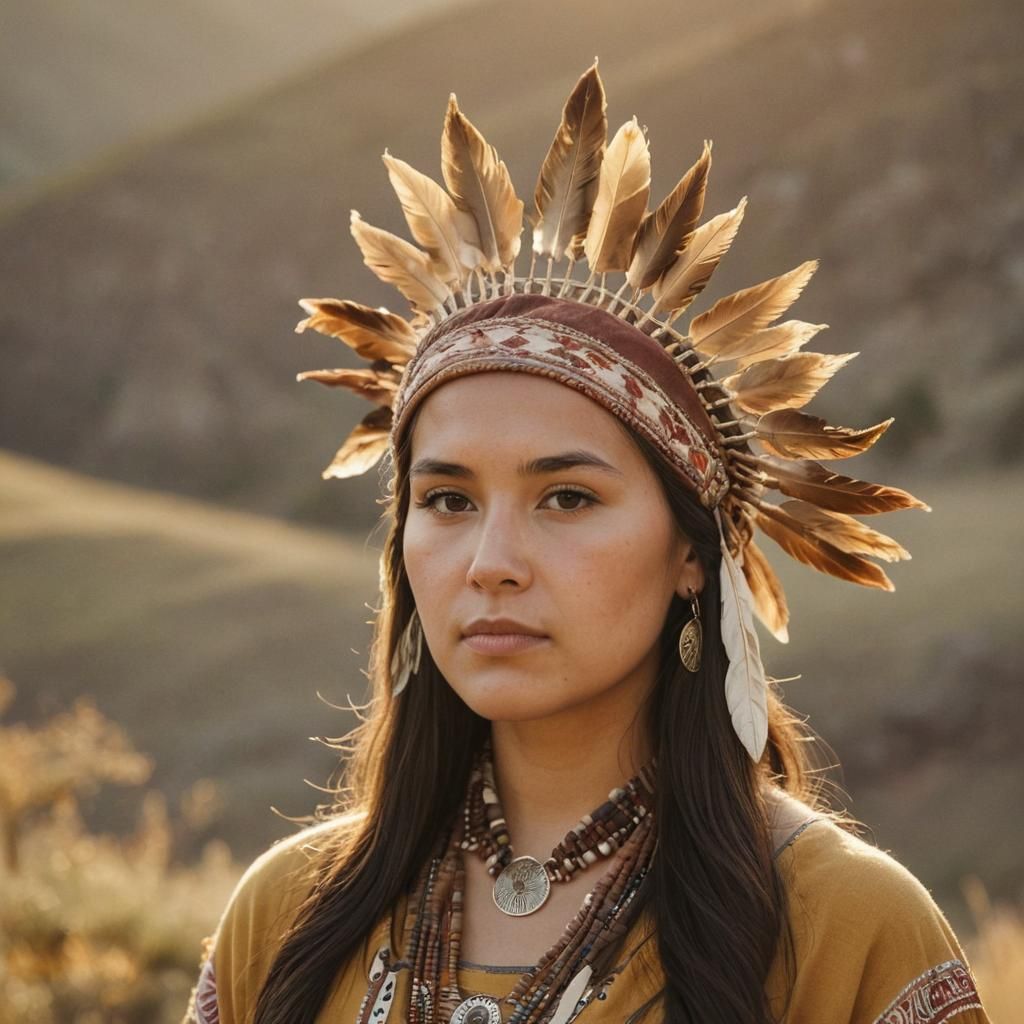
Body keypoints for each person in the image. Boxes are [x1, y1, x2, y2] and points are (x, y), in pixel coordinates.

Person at [183, 63, 990, 1024]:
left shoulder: (845, 928)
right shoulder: (287, 915)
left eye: (566, 498)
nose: (491, 562)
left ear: (690, 554)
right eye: (447, 501)